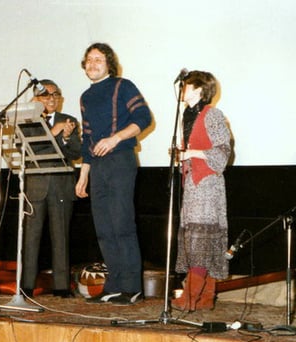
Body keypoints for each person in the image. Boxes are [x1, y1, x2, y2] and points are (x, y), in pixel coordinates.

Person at [75, 43, 152, 305]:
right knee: (104, 229)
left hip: (120, 160)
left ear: (109, 63)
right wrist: (83, 174)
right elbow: (87, 139)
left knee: (121, 224)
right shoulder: (85, 97)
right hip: (97, 167)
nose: (93, 64)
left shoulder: (122, 86)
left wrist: (115, 138)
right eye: (88, 60)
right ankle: (114, 285)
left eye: (98, 59)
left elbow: (143, 118)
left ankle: (132, 287)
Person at [170, 71, 232, 312]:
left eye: (186, 86)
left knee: (201, 239)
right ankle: (205, 298)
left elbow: (224, 152)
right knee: (199, 238)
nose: (181, 90)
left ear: (198, 89)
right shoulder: (187, 115)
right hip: (192, 183)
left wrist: (191, 154)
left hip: (207, 184)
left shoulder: (212, 115)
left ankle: (190, 295)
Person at [22, 79, 81, 298]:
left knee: (61, 237)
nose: (51, 99)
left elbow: (76, 152)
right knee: (31, 238)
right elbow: (29, 148)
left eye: (55, 94)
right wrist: (55, 131)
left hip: (61, 185)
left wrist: (66, 137)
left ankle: (61, 287)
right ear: (36, 99)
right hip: (35, 186)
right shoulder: (28, 119)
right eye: (46, 95)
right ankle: (27, 285)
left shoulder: (70, 120)